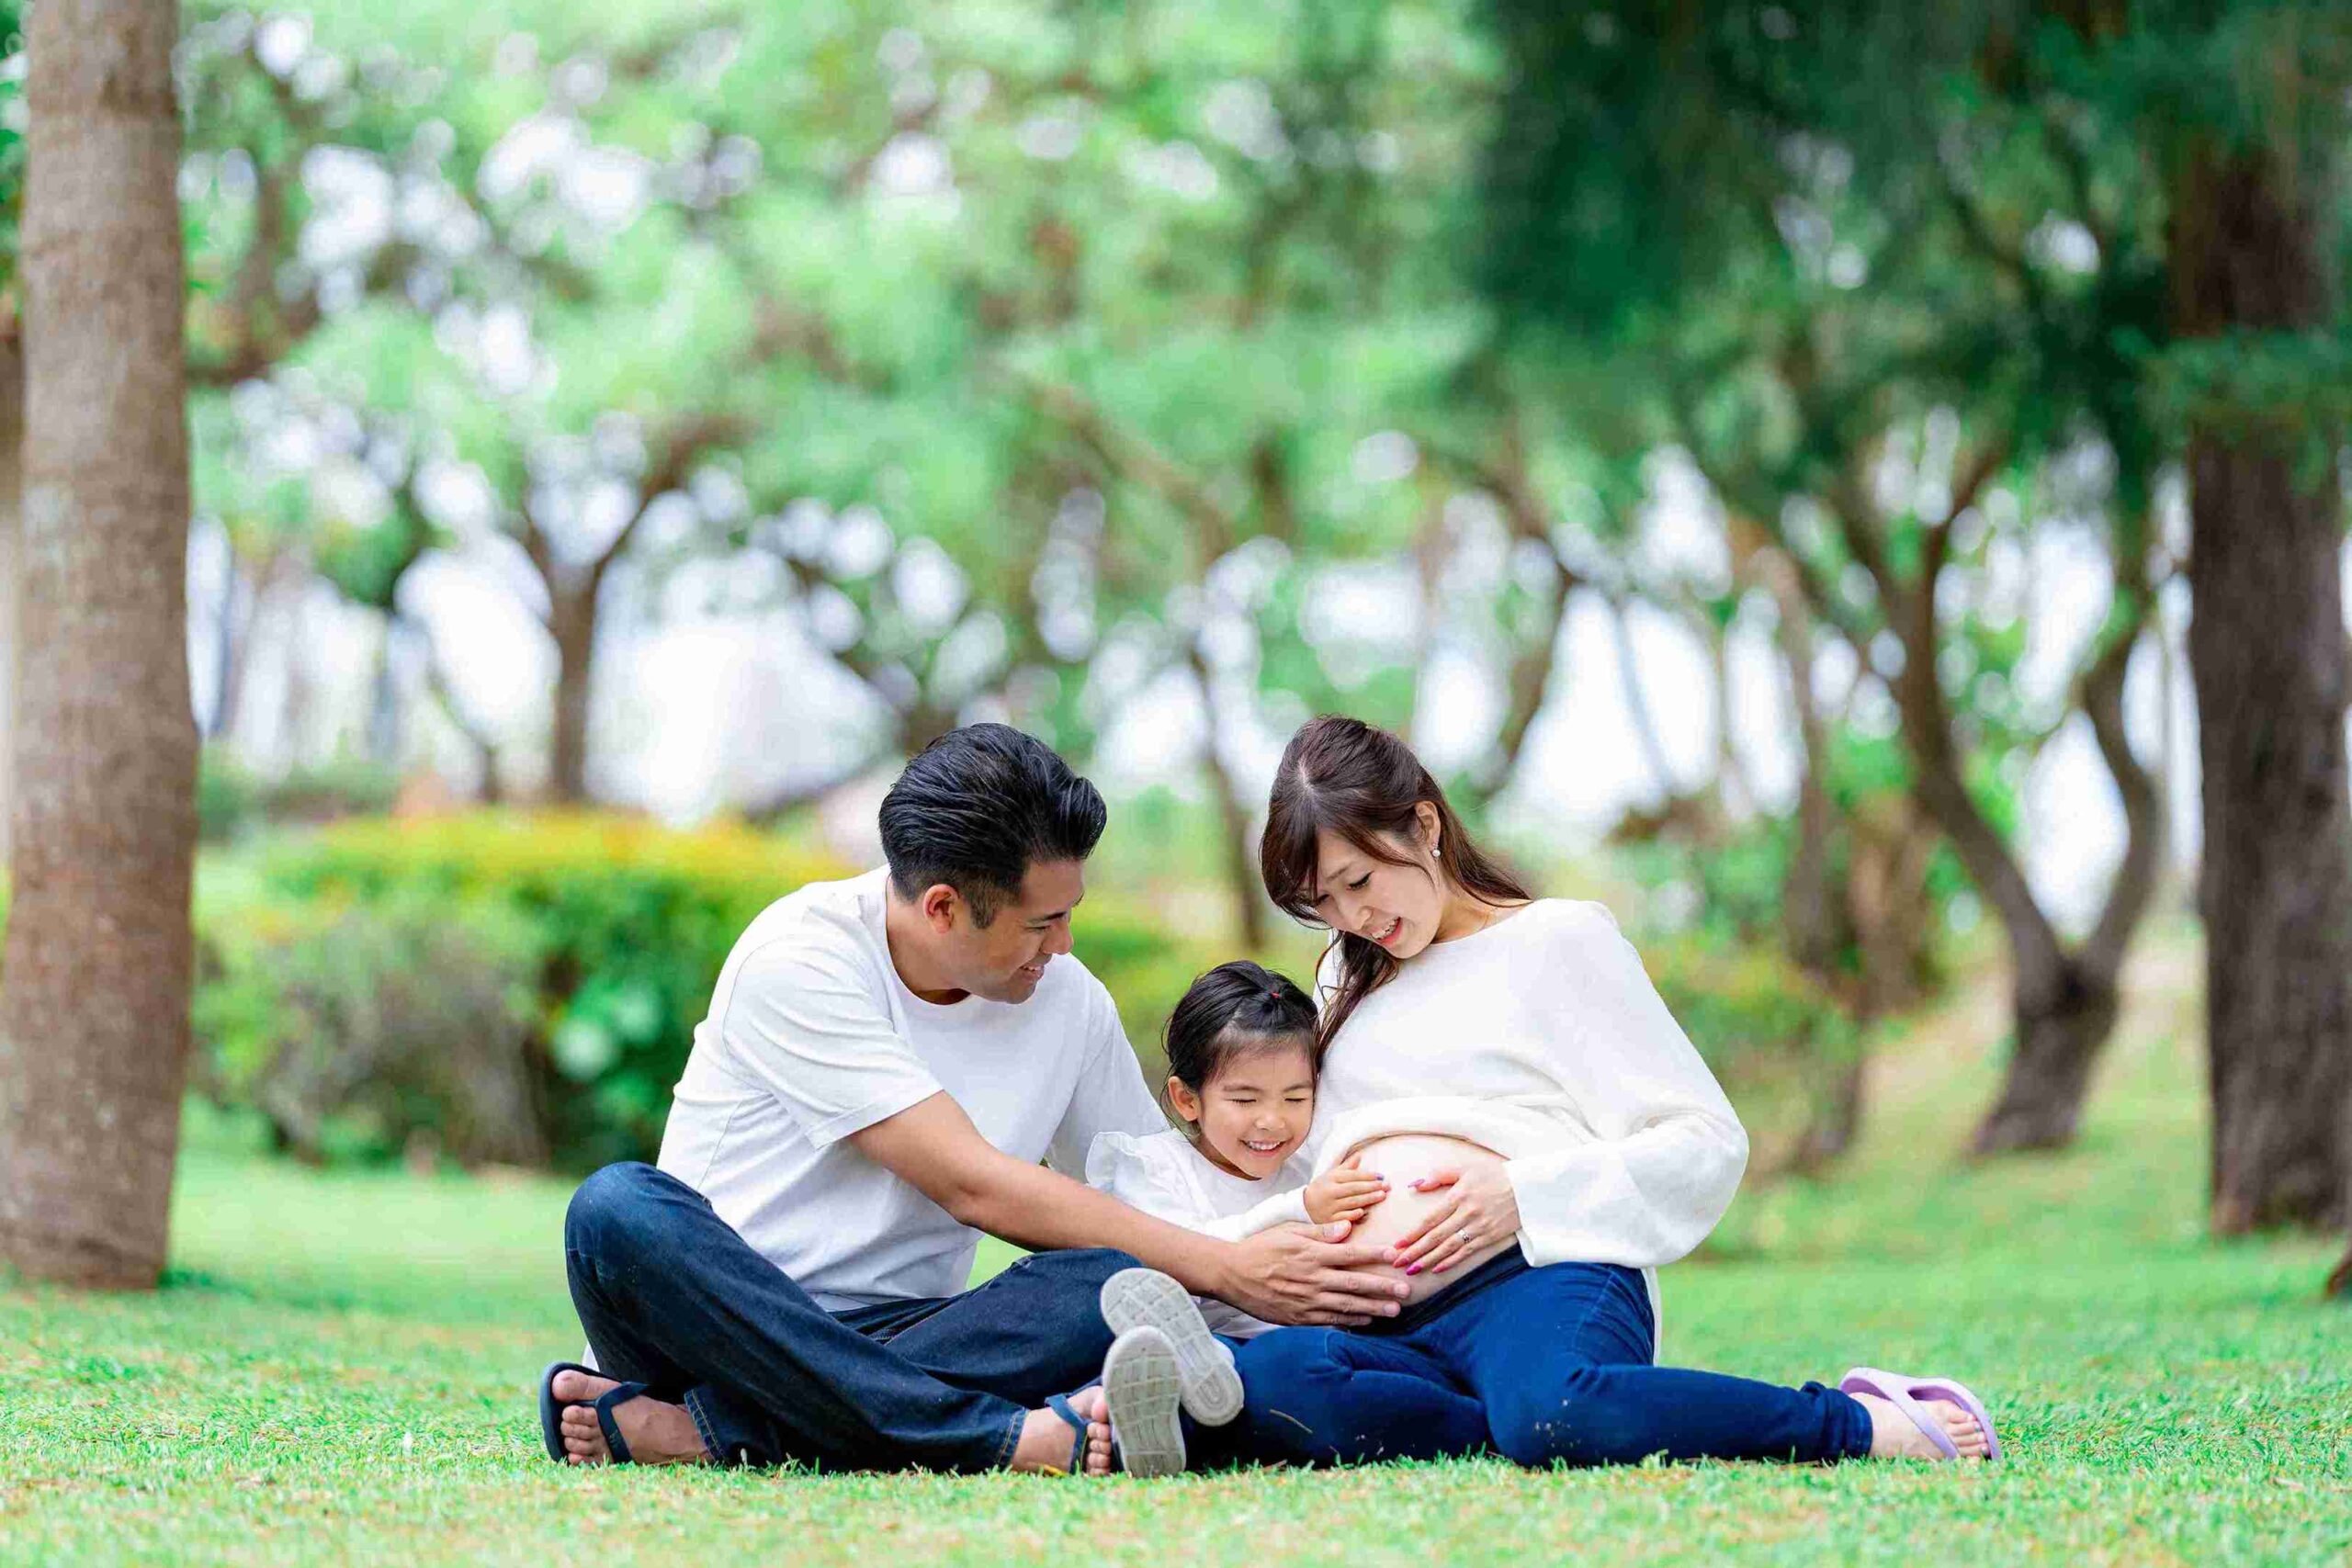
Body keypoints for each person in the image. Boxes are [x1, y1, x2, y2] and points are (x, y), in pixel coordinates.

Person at [541, 725, 1408, 1476]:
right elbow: (973, 1185)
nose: (1063, 946)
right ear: (944, 907)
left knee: (1110, 1279)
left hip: (917, 1336)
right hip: (717, 1332)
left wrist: (1279, 1236)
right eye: (1040, 924)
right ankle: (999, 1436)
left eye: (1069, 914)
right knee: (617, 1209)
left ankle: (704, 1436)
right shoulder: (800, 958)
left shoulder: (1070, 1001)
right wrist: (1224, 1270)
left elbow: (1147, 1190)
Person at [1182, 715, 2001, 1471]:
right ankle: (1494, 1411)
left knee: (1557, 1407)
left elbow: (1705, 1137)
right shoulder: (1343, 976)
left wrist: (1519, 1194)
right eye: (1323, 901)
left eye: (1359, 879)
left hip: (1537, 1275)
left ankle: (1852, 1421)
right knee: (1281, 1379)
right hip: (1382, 1311)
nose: (1353, 915)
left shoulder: (1557, 940)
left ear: (1424, 825)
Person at [1085, 961, 1394, 1342]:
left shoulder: (1314, 1166)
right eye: (1245, 1099)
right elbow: (1179, 1261)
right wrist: (1298, 1208)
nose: (1272, 1121)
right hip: (1211, 1344)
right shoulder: (1154, 1168)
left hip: (1318, 1346)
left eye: (1295, 1097)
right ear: (1187, 1100)